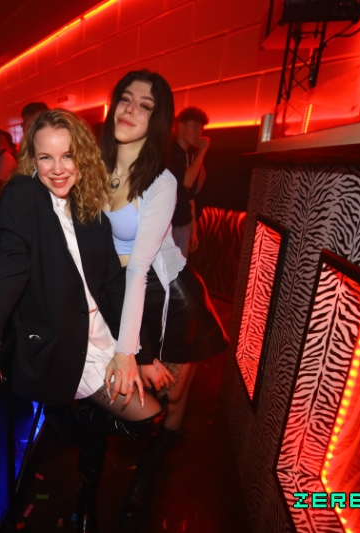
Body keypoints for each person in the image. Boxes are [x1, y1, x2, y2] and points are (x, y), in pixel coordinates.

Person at [0, 109, 167, 533]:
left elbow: (111, 283)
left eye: (67, 156)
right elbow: (9, 274)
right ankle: (64, 418)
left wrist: (137, 352)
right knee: (145, 418)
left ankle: (86, 497)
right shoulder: (23, 194)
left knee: (117, 425)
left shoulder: (86, 200)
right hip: (66, 344)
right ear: (32, 158)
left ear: (82, 156)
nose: (57, 168)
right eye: (46, 157)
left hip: (104, 332)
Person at [100, 70, 228, 528]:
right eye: (126, 98)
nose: (131, 109)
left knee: (171, 398)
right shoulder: (92, 169)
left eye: (146, 105)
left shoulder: (162, 181)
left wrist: (129, 350)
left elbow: (138, 267)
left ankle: (148, 476)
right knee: (141, 401)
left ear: (158, 120)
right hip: (125, 299)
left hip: (171, 299)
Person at [168, 107, 210, 256]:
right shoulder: (169, 152)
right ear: (180, 126)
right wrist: (202, 151)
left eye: (201, 128)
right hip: (168, 226)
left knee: (179, 268)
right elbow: (186, 181)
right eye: (195, 127)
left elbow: (189, 196)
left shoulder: (190, 155)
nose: (199, 132)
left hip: (184, 225)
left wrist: (193, 230)